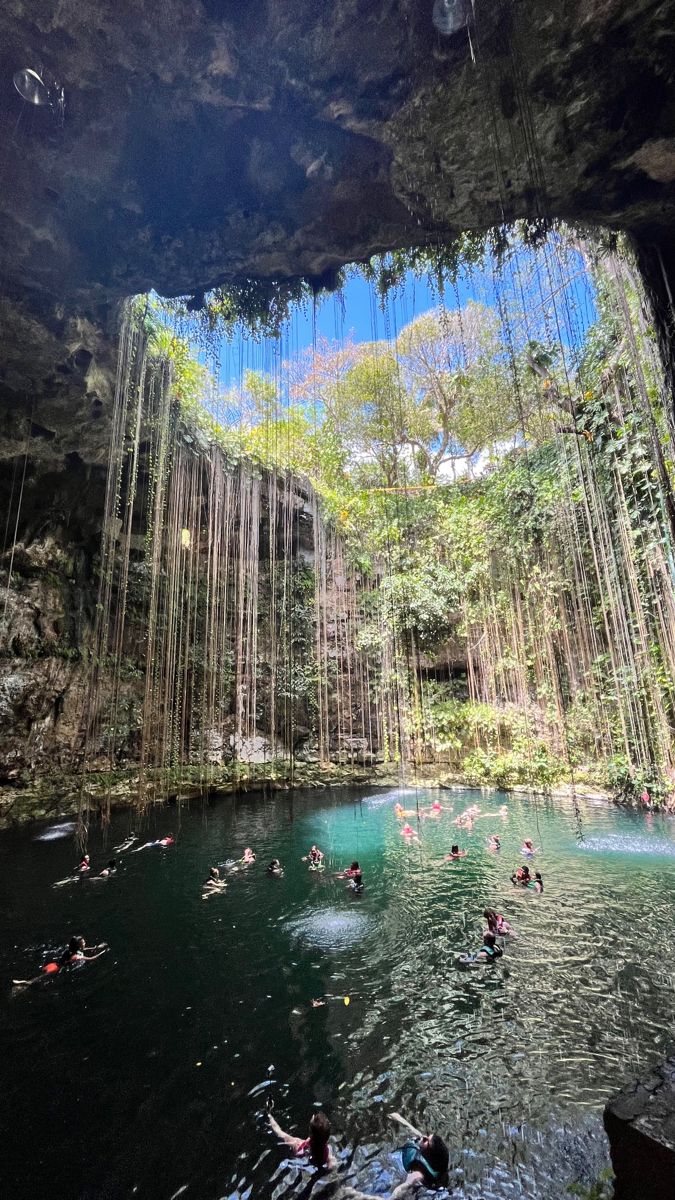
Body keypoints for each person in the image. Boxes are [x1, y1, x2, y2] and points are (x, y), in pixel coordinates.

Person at [12, 936, 108, 987]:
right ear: (78, 945)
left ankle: (25, 982)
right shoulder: (75, 956)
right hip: (56, 968)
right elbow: (91, 959)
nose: (85, 943)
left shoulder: (71, 950)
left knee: (39, 974)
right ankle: (26, 982)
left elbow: (84, 949)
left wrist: (96, 947)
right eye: (83, 942)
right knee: (38, 978)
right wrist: (103, 952)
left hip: (52, 964)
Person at [390, 1113, 449, 1192]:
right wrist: (398, 1118)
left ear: (429, 1154)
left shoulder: (418, 1175)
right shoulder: (424, 1148)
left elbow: (399, 1191)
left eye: (426, 1140)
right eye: (427, 1136)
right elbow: (411, 1129)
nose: (423, 1137)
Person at [268, 1110, 335, 1169]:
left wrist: (269, 1115)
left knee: (287, 1138)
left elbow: (279, 1132)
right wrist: (327, 1170)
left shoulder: (298, 1145)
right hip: (317, 1159)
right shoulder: (326, 1149)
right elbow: (331, 1164)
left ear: (310, 1132)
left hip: (301, 1155)